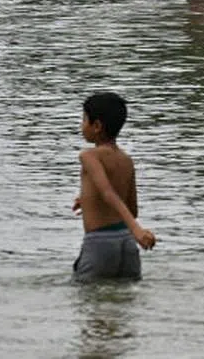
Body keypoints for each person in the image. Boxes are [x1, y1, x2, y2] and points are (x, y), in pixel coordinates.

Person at [72, 93, 156, 282]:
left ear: (97, 126)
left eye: (84, 119)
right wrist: (87, 200)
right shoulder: (126, 160)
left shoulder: (89, 156)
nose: (81, 126)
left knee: (87, 301)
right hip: (127, 244)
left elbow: (107, 192)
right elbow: (132, 209)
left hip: (100, 244)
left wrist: (137, 230)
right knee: (125, 302)